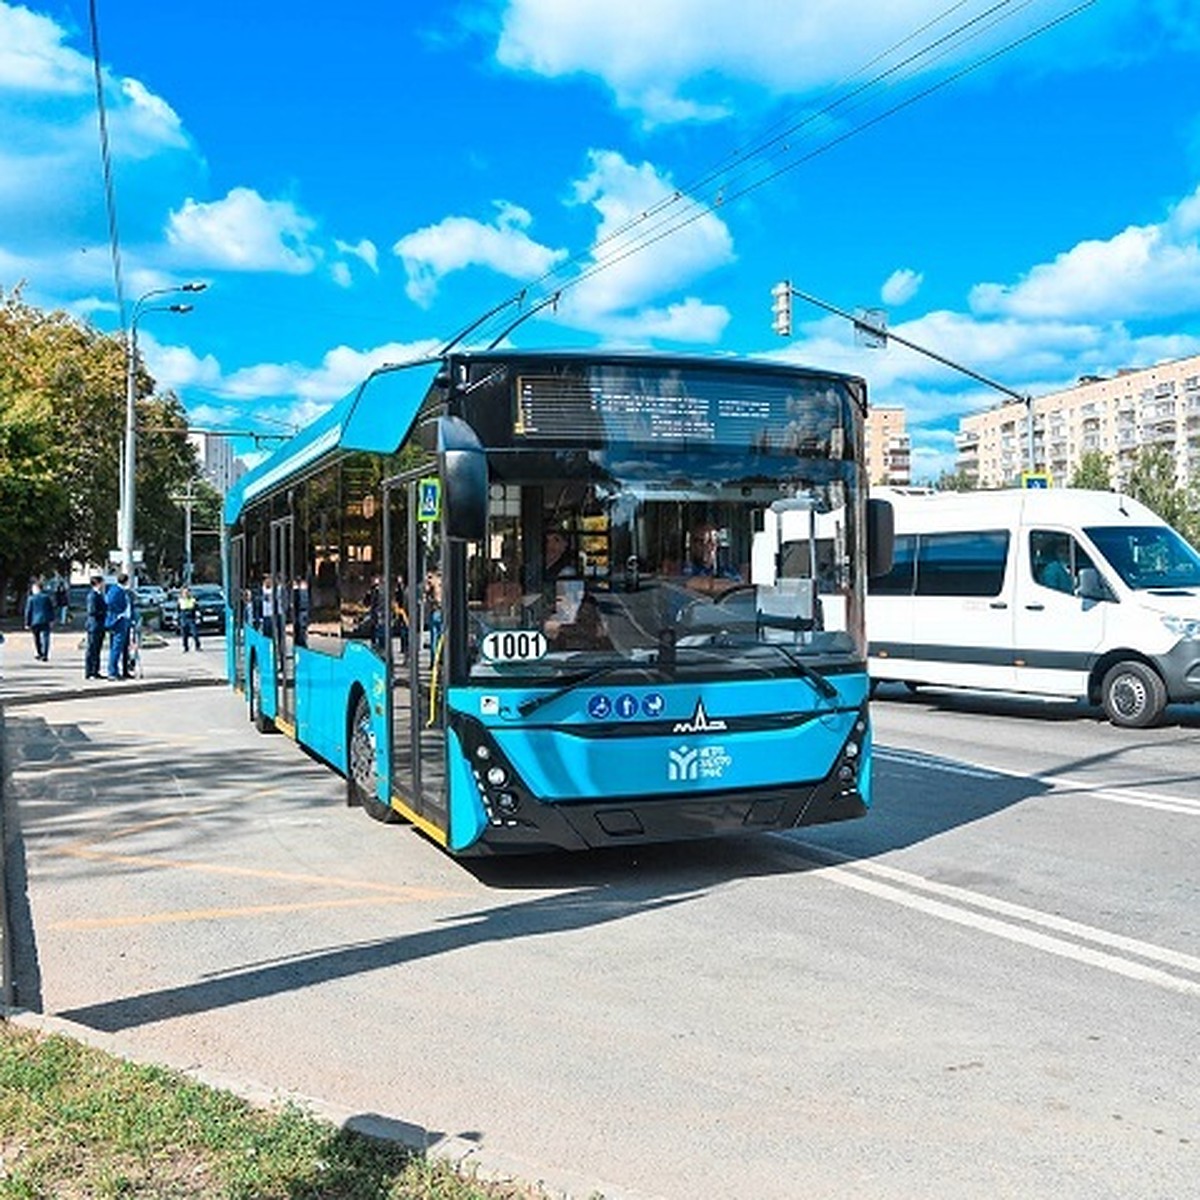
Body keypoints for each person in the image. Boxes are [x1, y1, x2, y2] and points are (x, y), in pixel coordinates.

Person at [104, 573, 133, 680]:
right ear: (126, 581)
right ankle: (112, 672)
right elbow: (109, 602)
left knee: (123, 648)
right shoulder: (115, 590)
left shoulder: (123, 591)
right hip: (119, 621)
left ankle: (123, 670)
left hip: (125, 621)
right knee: (116, 647)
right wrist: (118, 614)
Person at [24, 580, 55, 662]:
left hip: (34, 621)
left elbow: (28, 611)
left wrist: (27, 623)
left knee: (36, 638)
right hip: (45, 620)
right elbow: (51, 609)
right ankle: (45, 654)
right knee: (45, 637)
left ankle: (39, 653)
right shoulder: (46, 597)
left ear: (36, 588)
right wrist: (52, 620)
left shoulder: (31, 599)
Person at [83, 574, 107, 679]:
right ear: (97, 583)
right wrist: (105, 612)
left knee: (97, 649)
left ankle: (95, 670)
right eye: (102, 582)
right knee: (92, 649)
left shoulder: (99, 594)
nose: (103, 585)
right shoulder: (92, 595)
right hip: (94, 625)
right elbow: (92, 611)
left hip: (100, 625)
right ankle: (89, 672)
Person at [178, 584, 200, 651]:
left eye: (187, 592)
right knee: (184, 635)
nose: (186, 594)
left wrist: (197, 616)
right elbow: (178, 610)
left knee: (195, 633)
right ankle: (185, 647)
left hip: (191, 618)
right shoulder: (180, 600)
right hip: (183, 618)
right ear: (182, 593)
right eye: (184, 592)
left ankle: (197, 646)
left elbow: (197, 609)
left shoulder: (193, 600)